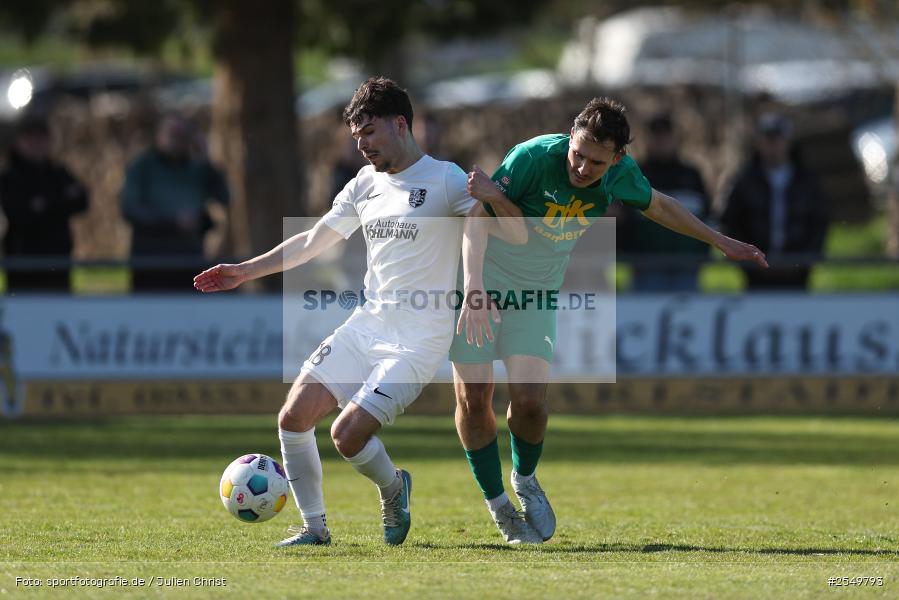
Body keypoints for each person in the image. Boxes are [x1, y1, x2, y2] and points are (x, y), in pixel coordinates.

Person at [451, 97, 767, 544]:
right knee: (474, 400)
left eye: (595, 162)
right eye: (578, 154)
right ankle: (498, 505)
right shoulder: (532, 157)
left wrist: (720, 241)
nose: (581, 168)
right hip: (479, 283)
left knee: (530, 404)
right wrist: (474, 288)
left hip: (535, 295)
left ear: (617, 158)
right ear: (571, 138)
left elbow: (660, 207)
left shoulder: (621, 174)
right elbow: (476, 219)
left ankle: (524, 479)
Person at [194, 77, 486, 547]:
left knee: (346, 434)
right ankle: (314, 528)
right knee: (292, 418)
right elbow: (313, 241)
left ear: (400, 123)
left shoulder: (447, 179)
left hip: (421, 337)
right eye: (355, 136)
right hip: (368, 322)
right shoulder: (363, 185)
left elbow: (485, 224)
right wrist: (245, 271)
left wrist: (477, 287)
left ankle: (394, 489)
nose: (362, 144)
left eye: (369, 133)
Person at [121, 114, 229, 292]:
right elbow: (129, 209)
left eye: (182, 134)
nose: (177, 139)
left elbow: (224, 197)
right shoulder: (142, 167)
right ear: (159, 136)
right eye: (172, 133)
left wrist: (207, 160)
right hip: (149, 262)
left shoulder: (198, 168)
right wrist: (173, 221)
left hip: (190, 260)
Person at [720, 112, 828, 290]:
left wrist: (803, 262)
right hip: (755, 274)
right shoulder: (744, 182)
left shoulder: (807, 181)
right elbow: (731, 223)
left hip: (798, 274)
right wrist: (749, 262)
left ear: (788, 141)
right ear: (759, 142)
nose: (773, 145)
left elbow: (819, 224)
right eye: (768, 139)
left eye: (777, 138)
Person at [618, 112, 712, 291]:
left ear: (675, 138)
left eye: (665, 135)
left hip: (687, 267)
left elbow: (706, 219)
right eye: (656, 135)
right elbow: (623, 219)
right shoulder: (634, 174)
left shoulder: (692, 175)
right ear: (647, 139)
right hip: (645, 269)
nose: (661, 140)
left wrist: (701, 256)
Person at [0, 115, 89, 292]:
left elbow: (82, 201)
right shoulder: (9, 177)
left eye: (41, 138)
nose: (37, 144)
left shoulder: (58, 172)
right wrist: (60, 200)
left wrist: (44, 204)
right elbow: (18, 213)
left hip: (58, 261)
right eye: (31, 139)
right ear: (19, 141)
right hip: (23, 263)